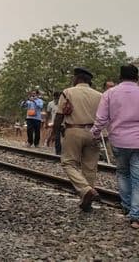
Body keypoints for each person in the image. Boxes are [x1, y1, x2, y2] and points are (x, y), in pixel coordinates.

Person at [91, 65, 139, 229]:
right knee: (137, 178)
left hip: (118, 141)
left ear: (120, 77)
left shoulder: (109, 94)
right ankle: (136, 215)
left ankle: (127, 207)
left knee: (123, 173)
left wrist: (95, 133)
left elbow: (101, 118)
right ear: (136, 77)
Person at [57, 67, 102, 212]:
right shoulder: (99, 95)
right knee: (90, 166)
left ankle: (86, 189)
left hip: (74, 130)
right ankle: (86, 200)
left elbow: (59, 114)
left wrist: (54, 132)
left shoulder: (68, 92)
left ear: (77, 79)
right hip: (94, 132)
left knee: (68, 163)